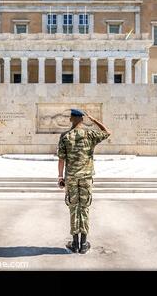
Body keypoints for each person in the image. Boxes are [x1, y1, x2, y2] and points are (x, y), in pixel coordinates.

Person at [57, 108, 111, 254]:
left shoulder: (65, 136)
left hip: (72, 178)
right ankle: (84, 243)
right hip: (86, 178)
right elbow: (107, 132)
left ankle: (75, 244)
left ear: (71, 119)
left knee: (74, 208)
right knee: (84, 208)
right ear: (82, 119)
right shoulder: (90, 134)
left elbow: (61, 159)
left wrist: (60, 177)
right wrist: (94, 120)